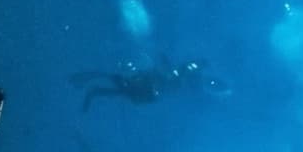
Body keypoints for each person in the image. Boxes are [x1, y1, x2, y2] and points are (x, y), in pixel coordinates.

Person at [73, 58, 208, 110]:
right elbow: (160, 76)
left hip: (144, 90)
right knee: (121, 88)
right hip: (142, 88)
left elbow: (167, 86)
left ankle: (94, 89)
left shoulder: (178, 79)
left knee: (121, 89)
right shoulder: (175, 74)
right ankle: (94, 88)